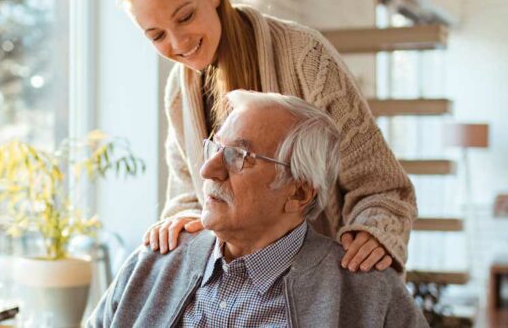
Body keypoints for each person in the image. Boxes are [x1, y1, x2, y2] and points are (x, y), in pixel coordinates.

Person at [119, 0, 417, 272]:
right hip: (235, 291)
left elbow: (381, 184)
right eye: (157, 35)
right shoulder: (178, 90)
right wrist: (186, 217)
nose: (178, 42)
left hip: (323, 284)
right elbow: (188, 190)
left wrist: (374, 233)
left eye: (185, 17)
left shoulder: (306, 57)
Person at [87, 91, 427, 327]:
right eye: (215, 149)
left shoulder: (368, 294)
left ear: (299, 192)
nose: (208, 171)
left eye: (239, 157)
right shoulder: (154, 263)